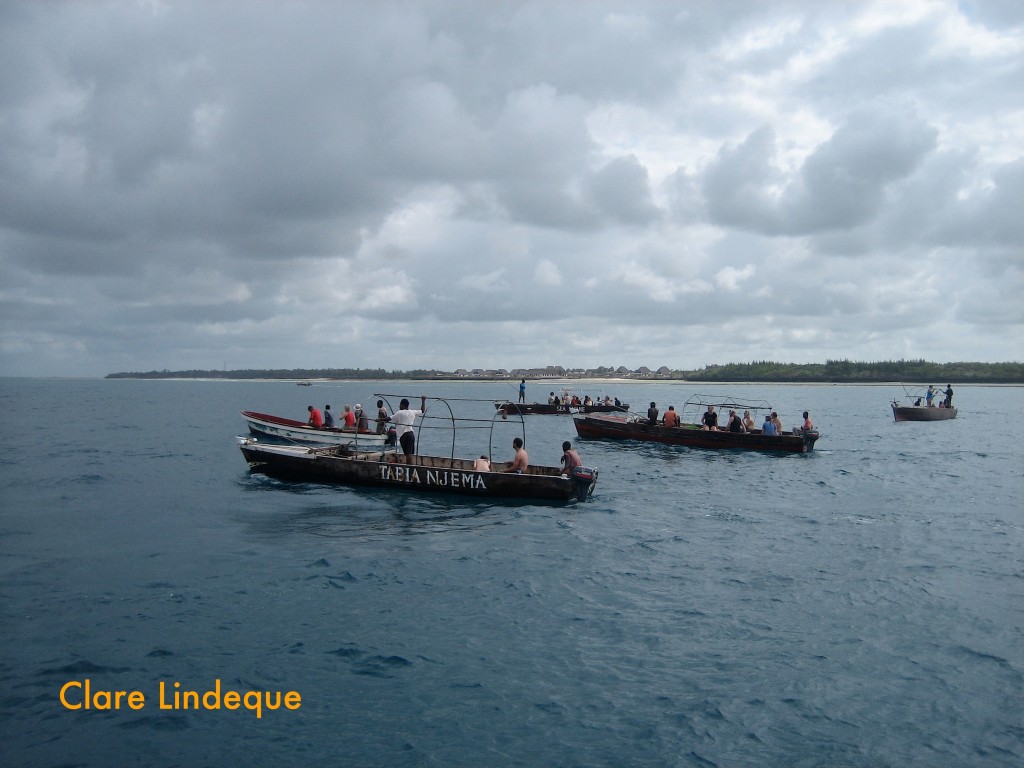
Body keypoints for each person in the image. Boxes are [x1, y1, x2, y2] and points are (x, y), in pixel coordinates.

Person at [387, 396, 427, 461]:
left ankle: (409, 467)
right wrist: (423, 400)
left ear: (403, 405)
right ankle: (410, 467)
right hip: (411, 434)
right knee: (410, 454)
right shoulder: (412, 412)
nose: (399, 406)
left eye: (400, 405)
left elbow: (389, 419)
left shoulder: (400, 412)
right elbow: (422, 410)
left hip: (404, 435)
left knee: (407, 454)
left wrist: (379, 419)